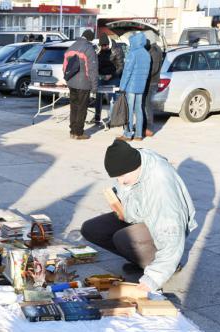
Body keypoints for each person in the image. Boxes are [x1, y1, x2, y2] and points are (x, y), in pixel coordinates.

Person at [81, 139, 196, 293]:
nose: (119, 181)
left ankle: (163, 265)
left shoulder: (160, 187)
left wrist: (153, 279)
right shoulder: (132, 164)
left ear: (135, 167)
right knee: (92, 229)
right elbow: (127, 191)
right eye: (117, 177)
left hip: (163, 225)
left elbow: (171, 235)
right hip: (140, 216)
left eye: (122, 176)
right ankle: (140, 258)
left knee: (123, 238)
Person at [63, 29, 98, 140]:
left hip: (71, 83)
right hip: (84, 83)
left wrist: (67, 79)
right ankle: (79, 133)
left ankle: (72, 131)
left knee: (74, 107)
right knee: (82, 108)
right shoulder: (89, 48)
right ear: (90, 38)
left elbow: (65, 66)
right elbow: (92, 69)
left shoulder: (72, 46)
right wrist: (95, 86)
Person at [118, 32, 150, 142]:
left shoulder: (133, 54)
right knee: (139, 109)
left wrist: (122, 86)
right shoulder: (146, 54)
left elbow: (127, 71)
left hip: (131, 86)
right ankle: (139, 134)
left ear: (134, 42)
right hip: (141, 86)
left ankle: (127, 134)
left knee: (129, 111)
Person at [93, 33, 124, 124]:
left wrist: (112, 75)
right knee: (98, 96)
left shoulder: (117, 49)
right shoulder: (99, 50)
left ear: (108, 44)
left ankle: (112, 119)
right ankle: (97, 117)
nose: (104, 47)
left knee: (112, 99)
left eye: (105, 46)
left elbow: (121, 67)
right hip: (102, 76)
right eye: (102, 46)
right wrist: (98, 74)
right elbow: (96, 64)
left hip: (113, 76)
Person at [144, 39, 163, 138]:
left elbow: (154, 69)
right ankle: (145, 127)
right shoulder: (154, 50)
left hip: (152, 82)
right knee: (146, 105)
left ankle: (150, 128)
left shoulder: (154, 51)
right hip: (151, 81)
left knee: (148, 105)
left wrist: (143, 74)